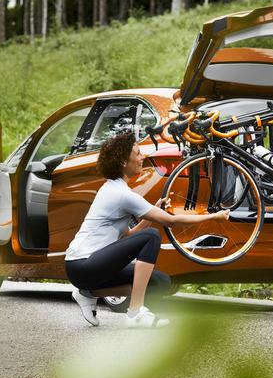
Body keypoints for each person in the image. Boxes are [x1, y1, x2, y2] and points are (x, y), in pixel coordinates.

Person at [65, 131, 229, 328]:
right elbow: (171, 222)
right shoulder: (120, 194)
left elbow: (127, 236)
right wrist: (214, 216)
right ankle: (135, 313)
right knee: (151, 236)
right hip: (82, 264)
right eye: (138, 153)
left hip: (92, 267)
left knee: (160, 281)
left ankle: (87, 293)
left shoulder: (114, 189)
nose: (142, 157)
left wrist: (151, 215)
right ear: (123, 162)